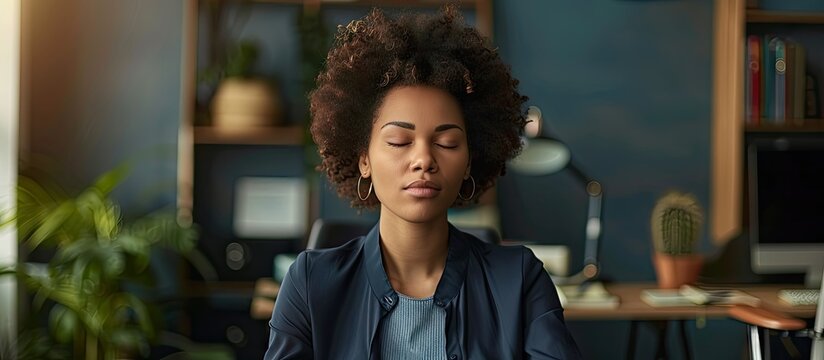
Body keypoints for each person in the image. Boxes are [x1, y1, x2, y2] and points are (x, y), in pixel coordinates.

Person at [265, 5, 582, 359]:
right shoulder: (310, 284)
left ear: (469, 162)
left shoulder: (521, 281)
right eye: (399, 142)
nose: (424, 160)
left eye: (447, 143)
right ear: (364, 159)